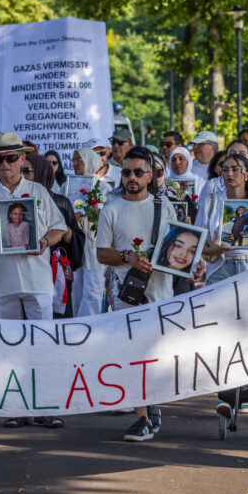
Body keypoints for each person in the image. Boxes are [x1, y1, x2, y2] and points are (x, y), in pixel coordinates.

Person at [97, 147, 198, 442]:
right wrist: (127, 256)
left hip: (160, 291)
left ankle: (150, 404)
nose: (131, 177)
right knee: (132, 354)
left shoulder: (162, 205)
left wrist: (193, 256)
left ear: (150, 175)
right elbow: (102, 253)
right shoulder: (111, 208)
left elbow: (175, 247)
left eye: (138, 172)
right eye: (126, 172)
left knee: (155, 355)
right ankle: (142, 416)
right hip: (126, 294)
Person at [0, 133, 67, 428]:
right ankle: (14, 406)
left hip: (37, 278)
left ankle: (45, 405)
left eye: (11, 158)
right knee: (8, 347)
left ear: (23, 159)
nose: (5, 164)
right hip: (1, 281)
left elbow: (59, 229)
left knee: (42, 343)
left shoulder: (38, 191)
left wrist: (43, 240)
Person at [196, 153, 248, 414]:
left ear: (247, 174)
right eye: (225, 169)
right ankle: (225, 394)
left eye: (236, 169)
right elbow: (201, 241)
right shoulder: (213, 200)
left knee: (247, 332)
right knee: (221, 332)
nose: (230, 173)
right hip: (220, 268)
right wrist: (217, 249)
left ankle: (244, 390)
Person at [24, 152, 85, 318]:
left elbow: (77, 240)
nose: (22, 176)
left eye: (26, 171)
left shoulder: (61, 202)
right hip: (27, 274)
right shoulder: (15, 201)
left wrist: (62, 229)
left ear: (41, 172)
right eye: (20, 171)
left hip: (58, 273)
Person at [71, 147, 112, 316]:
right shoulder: (69, 185)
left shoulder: (103, 188)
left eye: (78, 160)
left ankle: (90, 328)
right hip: (74, 241)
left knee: (94, 289)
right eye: (73, 160)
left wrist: (94, 211)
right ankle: (75, 327)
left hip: (95, 243)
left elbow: (109, 214)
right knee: (76, 289)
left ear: (89, 162)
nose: (74, 164)